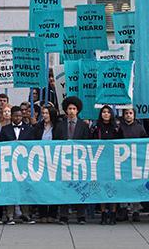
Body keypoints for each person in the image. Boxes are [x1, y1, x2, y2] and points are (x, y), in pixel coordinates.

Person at [54, 96, 89, 224]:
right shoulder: (60, 125)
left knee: (80, 187)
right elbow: (55, 142)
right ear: (66, 110)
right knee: (64, 188)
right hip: (64, 162)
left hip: (79, 162)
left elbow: (87, 143)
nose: (71, 111)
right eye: (69, 109)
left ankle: (81, 215)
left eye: (74, 109)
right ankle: (63, 215)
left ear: (78, 110)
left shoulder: (83, 126)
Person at [0, 105, 36, 225]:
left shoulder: (29, 129)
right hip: (9, 164)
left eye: (20, 116)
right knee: (10, 189)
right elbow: (0, 146)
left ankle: (25, 214)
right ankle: (9, 215)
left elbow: (32, 146)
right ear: (11, 116)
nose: (17, 118)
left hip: (23, 164)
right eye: (15, 115)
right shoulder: (5, 129)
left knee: (24, 188)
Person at [91, 105, 120, 225]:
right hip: (100, 161)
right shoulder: (96, 127)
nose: (106, 114)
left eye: (108, 112)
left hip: (113, 161)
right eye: (104, 112)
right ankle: (103, 214)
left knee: (112, 187)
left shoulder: (116, 127)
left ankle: (113, 214)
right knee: (102, 187)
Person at [118, 107, 147, 222]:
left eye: (131, 113)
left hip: (136, 161)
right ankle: (124, 209)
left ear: (134, 115)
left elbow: (145, 142)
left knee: (136, 185)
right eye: (126, 113)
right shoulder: (120, 127)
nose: (128, 115)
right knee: (123, 184)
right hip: (122, 162)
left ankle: (136, 210)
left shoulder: (139, 128)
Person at [33, 105, 59, 223]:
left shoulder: (58, 127)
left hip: (55, 161)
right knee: (41, 187)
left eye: (47, 113)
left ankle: (52, 213)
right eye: (43, 113)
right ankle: (42, 213)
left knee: (54, 187)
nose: (44, 115)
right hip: (41, 161)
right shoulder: (38, 127)